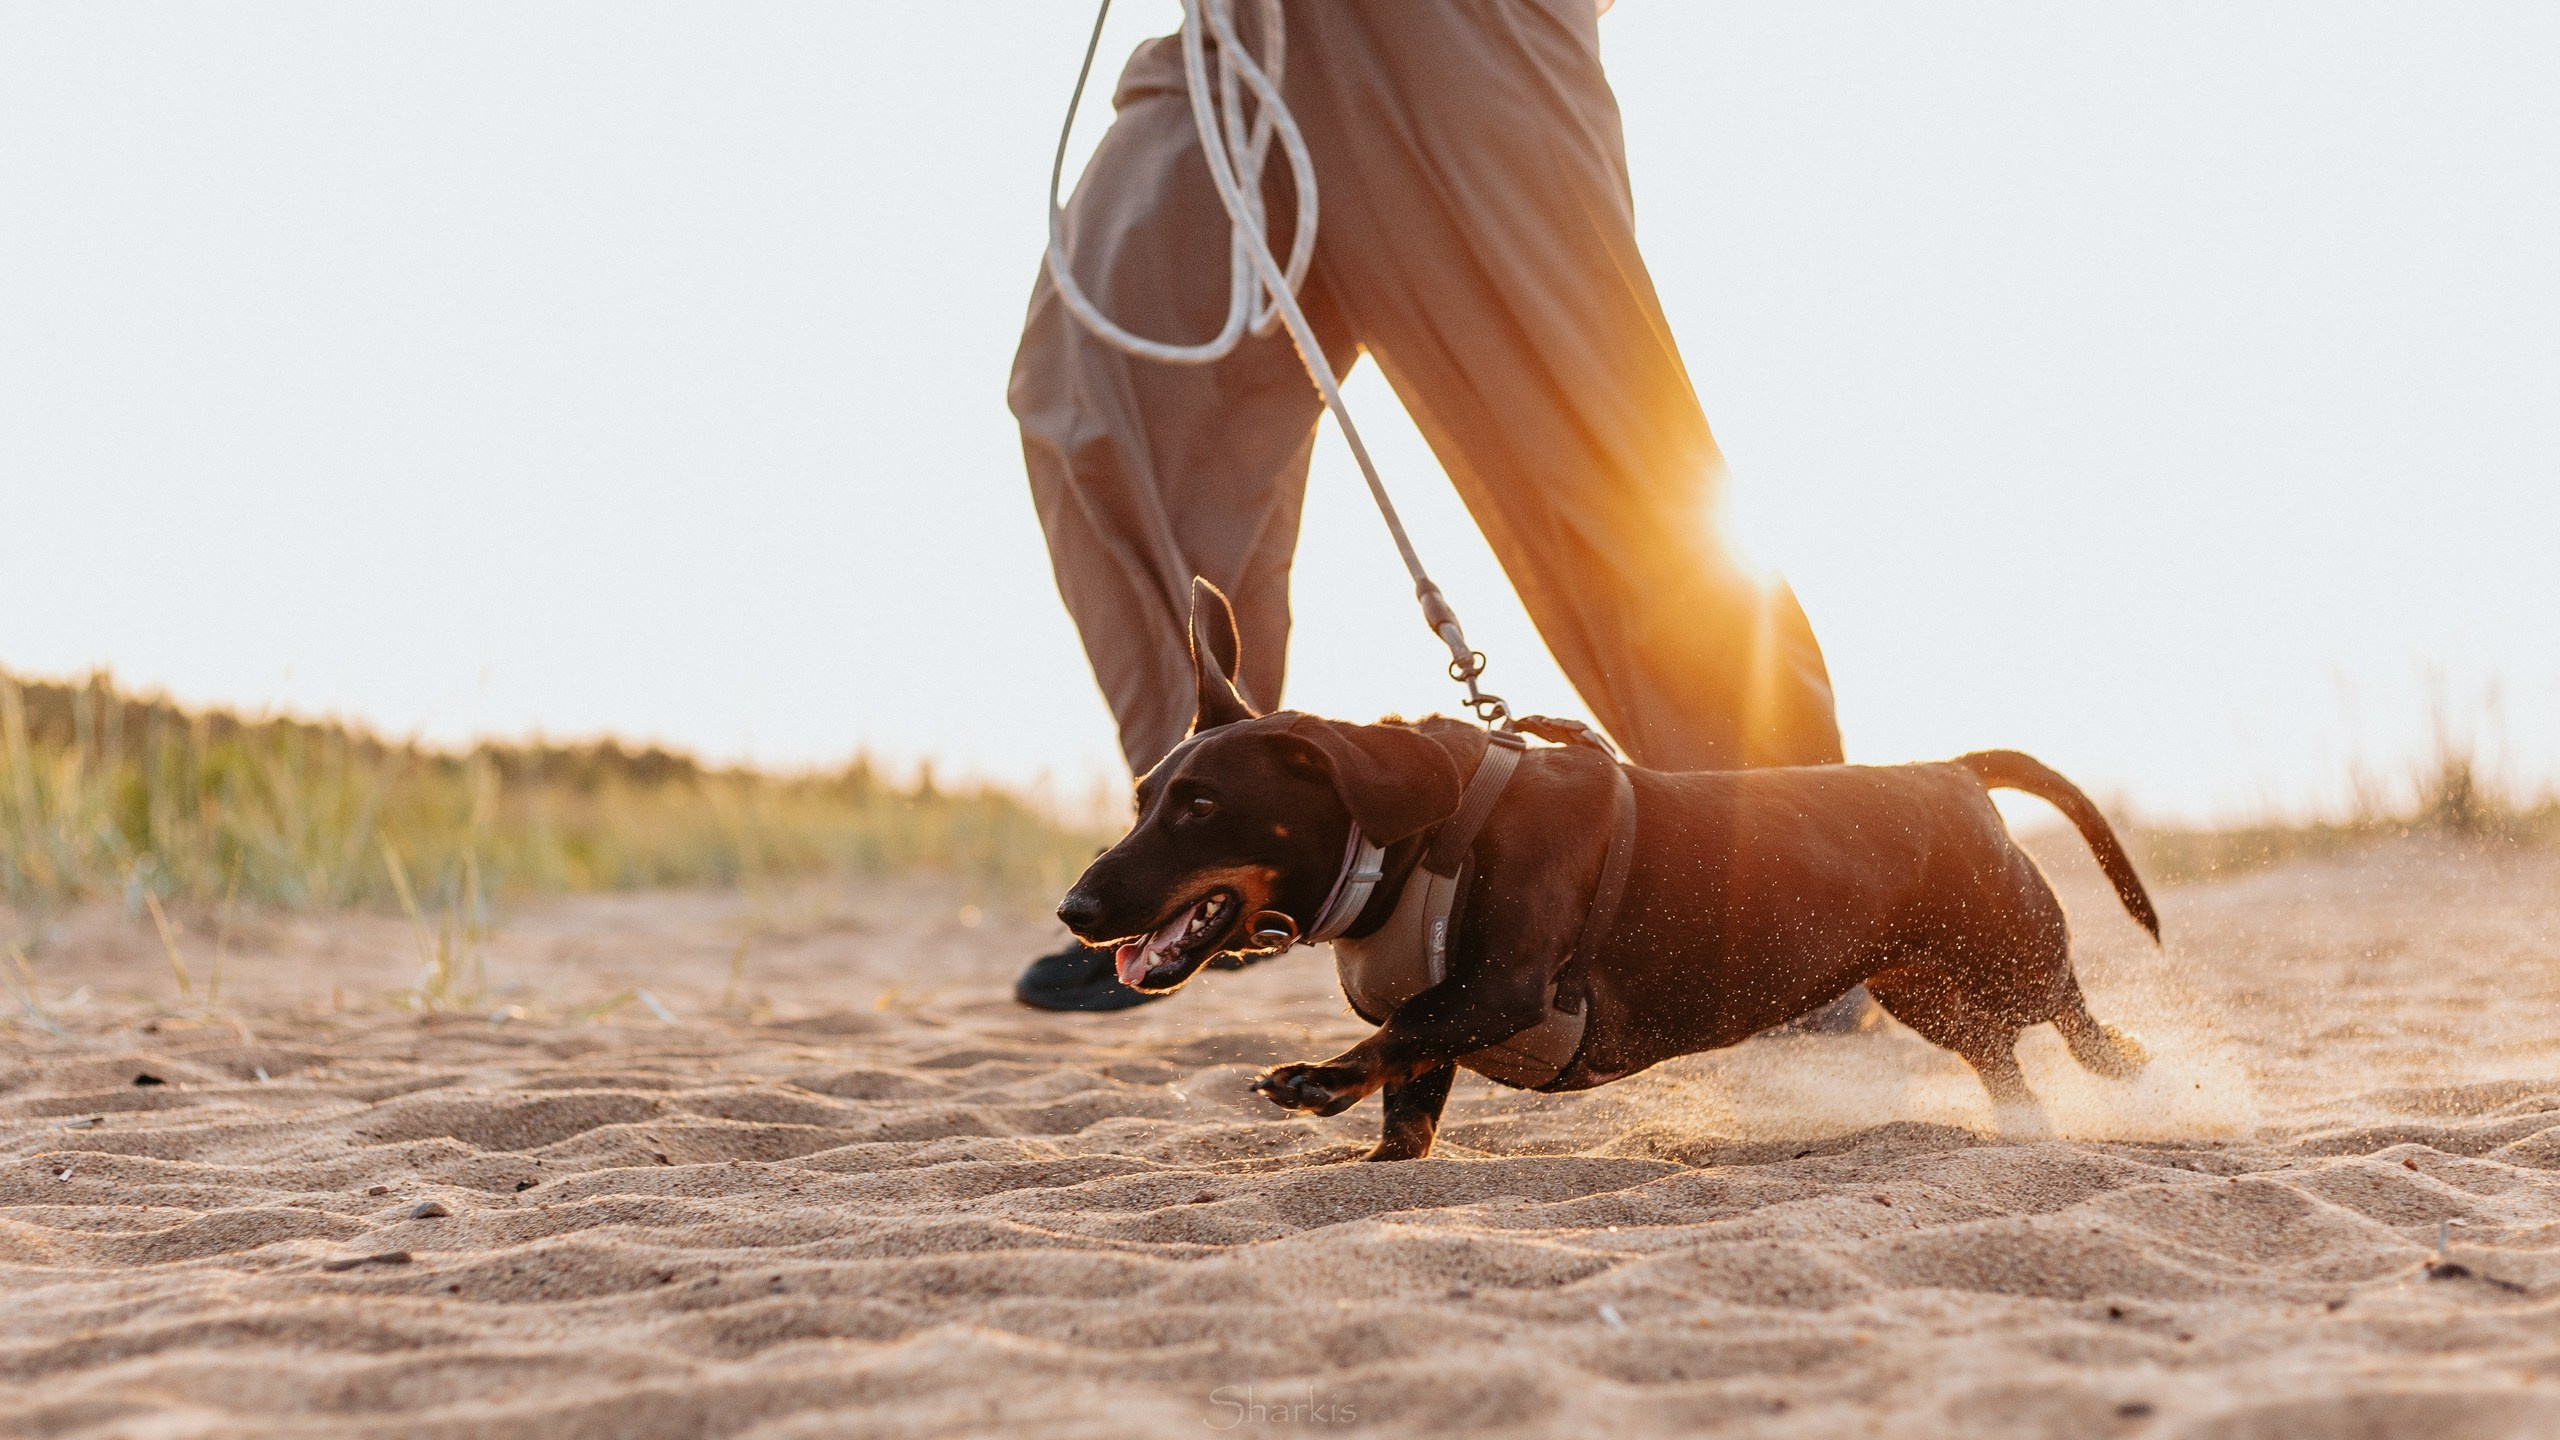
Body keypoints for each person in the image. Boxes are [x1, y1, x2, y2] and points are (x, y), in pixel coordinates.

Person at [1010, 0, 1847, 1013]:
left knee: (1582, 439)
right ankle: (1225, 863)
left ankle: (1802, 892)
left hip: (1450, 20)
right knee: (1092, 392)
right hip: (1237, 29)